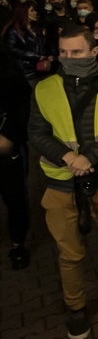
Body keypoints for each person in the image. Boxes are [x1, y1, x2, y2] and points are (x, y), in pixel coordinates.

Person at [29, 24, 98, 339]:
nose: (68, 58)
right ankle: (75, 308)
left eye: (76, 52)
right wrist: (67, 158)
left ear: (94, 52)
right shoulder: (44, 88)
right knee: (68, 252)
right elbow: (36, 133)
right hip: (61, 182)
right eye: (63, 52)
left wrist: (90, 157)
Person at [0, 47, 32, 269]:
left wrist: (8, 136)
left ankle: (17, 243)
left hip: (7, 150)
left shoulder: (7, 73)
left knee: (15, 197)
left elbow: (21, 105)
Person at [3, 0, 53, 86]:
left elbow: (43, 44)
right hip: (27, 71)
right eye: (32, 10)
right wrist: (36, 56)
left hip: (42, 69)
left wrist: (49, 55)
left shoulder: (37, 29)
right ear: (24, 13)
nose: (35, 13)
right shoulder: (14, 31)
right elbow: (12, 49)